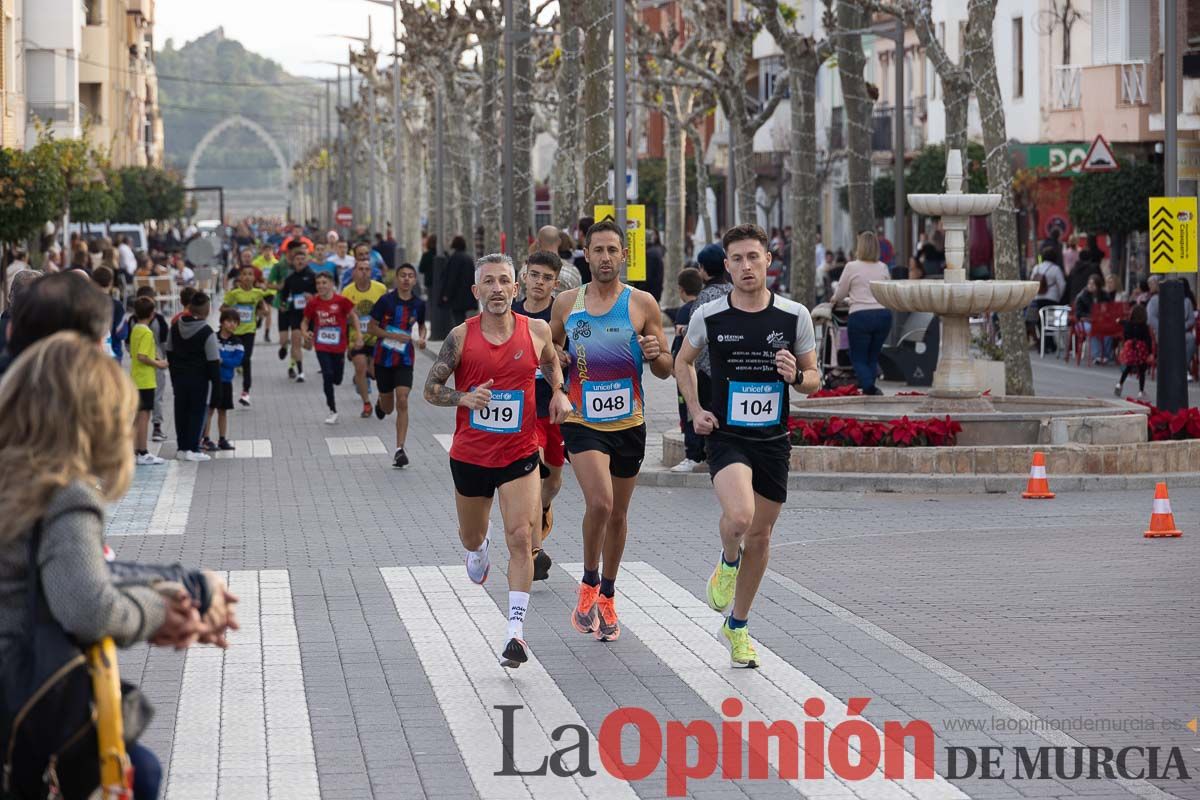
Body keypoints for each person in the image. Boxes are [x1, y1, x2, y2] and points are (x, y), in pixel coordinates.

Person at [0, 332, 239, 800]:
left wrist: (182, 587)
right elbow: (88, 605)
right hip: (18, 704)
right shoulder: (61, 490)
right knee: (137, 774)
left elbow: (78, 569)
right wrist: (164, 610)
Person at [675, 223, 819, 668]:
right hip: (727, 435)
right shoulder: (711, 315)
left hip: (773, 440)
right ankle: (727, 559)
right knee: (740, 517)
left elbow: (815, 380)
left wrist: (796, 375)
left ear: (768, 261)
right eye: (736, 259)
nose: (746, 266)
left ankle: (737, 626)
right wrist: (697, 410)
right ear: (726, 266)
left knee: (762, 534)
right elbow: (683, 362)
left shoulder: (794, 316)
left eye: (753, 257)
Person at [423, 253, 570, 667]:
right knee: (472, 536)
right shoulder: (460, 336)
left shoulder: (536, 330)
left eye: (504, 281)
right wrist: (461, 396)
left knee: (522, 537)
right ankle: (478, 548)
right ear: (476, 291)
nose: (497, 289)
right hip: (470, 456)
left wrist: (559, 391)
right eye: (488, 282)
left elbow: (550, 362)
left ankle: (515, 632)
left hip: (519, 453)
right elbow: (431, 389)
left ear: (515, 289)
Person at [550, 219, 673, 643]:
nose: (605, 257)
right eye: (597, 250)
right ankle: (587, 580)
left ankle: (608, 593)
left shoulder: (642, 304)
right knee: (599, 502)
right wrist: (557, 374)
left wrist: (657, 354)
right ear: (586, 254)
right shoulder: (567, 302)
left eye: (612, 250)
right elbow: (549, 352)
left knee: (619, 514)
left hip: (629, 424)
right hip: (584, 422)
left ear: (624, 255)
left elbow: (665, 369)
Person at [512, 251, 565, 581]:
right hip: (524, 412)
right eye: (535, 275)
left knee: (553, 480)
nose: (539, 283)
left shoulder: (559, 315)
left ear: (555, 283)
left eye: (546, 278)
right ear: (525, 278)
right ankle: (534, 551)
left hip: (554, 409)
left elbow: (575, 355)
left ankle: (544, 510)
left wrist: (562, 356)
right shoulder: (511, 313)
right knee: (534, 472)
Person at [369, 263, 428, 468]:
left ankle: (399, 449)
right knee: (388, 407)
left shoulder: (419, 304)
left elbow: (421, 327)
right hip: (383, 359)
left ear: (414, 280)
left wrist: (421, 339)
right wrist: (389, 335)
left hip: (404, 360)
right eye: (402, 275)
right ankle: (380, 402)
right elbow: (371, 327)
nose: (406, 279)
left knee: (402, 400)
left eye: (410, 276)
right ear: (397, 279)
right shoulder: (385, 301)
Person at [830, 231, 893, 396]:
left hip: (861, 316)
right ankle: (870, 385)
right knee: (872, 356)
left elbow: (841, 293)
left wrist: (835, 299)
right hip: (883, 315)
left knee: (857, 356)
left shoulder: (852, 267)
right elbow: (888, 292)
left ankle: (869, 387)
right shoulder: (883, 267)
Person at [301, 271, 362, 424]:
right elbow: (305, 321)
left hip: (339, 346)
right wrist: (304, 333)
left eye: (324, 283)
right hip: (321, 346)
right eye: (318, 283)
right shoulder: (313, 303)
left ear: (331, 284)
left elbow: (353, 316)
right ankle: (332, 409)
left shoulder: (342, 301)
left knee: (337, 379)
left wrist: (359, 335)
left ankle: (337, 379)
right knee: (327, 375)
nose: (321, 286)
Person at [166, 291, 220, 462]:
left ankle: (182, 448)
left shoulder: (175, 327)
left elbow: (169, 351)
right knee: (197, 412)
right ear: (207, 310)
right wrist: (217, 387)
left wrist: (174, 375)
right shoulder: (206, 331)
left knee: (181, 411)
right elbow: (213, 361)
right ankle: (193, 448)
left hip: (179, 378)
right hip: (199, 380)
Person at [342, 256, 388, 417]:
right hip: (357, 339)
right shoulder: (347, 292)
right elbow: (343, 319)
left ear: (372, 272)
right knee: (360, 368)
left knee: (377, 374)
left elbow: (388, 312)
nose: (364, 272)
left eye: (367, 269)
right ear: (354, 272)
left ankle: (380, 399)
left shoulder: (380, 289)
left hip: (377, 339)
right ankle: (366, 403)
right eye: (360, 269)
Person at [670, 267, 706, 473]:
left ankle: (692, 454)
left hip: (688, 370)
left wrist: (675, 366)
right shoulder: (704, 306)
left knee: (688, 413)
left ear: (681, 290)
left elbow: (679, 344)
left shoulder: (685, 311)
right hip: (704, 371)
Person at [220, 264, 270, 407]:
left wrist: (264, 310)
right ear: (240, 277)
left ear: (254, 277)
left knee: (246, 359)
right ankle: (226, 383)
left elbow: (262, 305)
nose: (247, 277)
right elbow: (222, 308)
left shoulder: (257, 292)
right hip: (234, 332)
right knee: (236, 360)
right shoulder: (234, 294)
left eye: (250, 274)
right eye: (245, 274)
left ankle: (245, 392)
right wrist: (233, 310)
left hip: (249, 330)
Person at [129, 296, 169, 466]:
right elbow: (142, 356)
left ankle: (133, 451)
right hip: (145, 380)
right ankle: (143, 451)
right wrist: (158, 363)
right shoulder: (146, 332)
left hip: (136, 377)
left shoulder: (136, 329)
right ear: (152, 314)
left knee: (137, 418)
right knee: (144, 416)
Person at [201, 310, 245, 452]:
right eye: (229, 321)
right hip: (212, 380)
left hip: (226, 381)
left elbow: (237, 361)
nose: (232, 324)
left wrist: (222, 360)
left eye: (235, 322)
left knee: (223, 410)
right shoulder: (212, 338)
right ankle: (206, 438)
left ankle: (222, 439)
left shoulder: (237, 342)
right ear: (222, 322)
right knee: (210, 409)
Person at [279, 240, 317, 382]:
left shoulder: (312, 276)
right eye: (297, 259)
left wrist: (312, 297)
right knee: (295, 340)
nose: (300, 262)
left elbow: (320, 294)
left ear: (306, 260)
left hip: (310, 314)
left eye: (302, 259)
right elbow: (284, 295)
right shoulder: (290, 278)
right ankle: (300, 372)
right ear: (293, 262)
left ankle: (302, 345)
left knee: (308, 345)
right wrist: (283, 304)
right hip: (295, 313)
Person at [1028, 247, 1066, 352]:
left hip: (1037, 298)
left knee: (1040, 322)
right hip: (1051, 299)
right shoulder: (1056, 269)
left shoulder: (1037, 268)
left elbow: (1032, 281)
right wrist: (1058, 296)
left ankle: (1043, 344)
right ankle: (1050, 344)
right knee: (1050, 322)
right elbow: (1062, 284)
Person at [1074, 273, 1114, 365]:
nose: (1090, 286)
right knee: (1093, 329)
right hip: (1084, 322)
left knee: (1109, 330)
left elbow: (1109, 309)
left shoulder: (1104, 296)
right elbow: (1078, 313)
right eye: (1089, 284)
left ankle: (1106, 355)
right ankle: (1097, 355)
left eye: (1093, 284)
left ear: (1098, 285)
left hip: (1100, 321)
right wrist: (1088, 317)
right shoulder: (1082, 296)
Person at [1116, 304, 1153, 400]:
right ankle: (1141, 391)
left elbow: (1123, 324)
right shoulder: (1144, 327)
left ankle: (1119, 384)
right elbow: (1148, 340)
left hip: (1130, 349)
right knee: (1141, 371)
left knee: (1127, 368)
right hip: (1141, 350)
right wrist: (1150, 352)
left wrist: (1119, 321)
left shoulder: (1128, 324)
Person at [91, 267, 127, 362]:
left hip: (91, 354)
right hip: (113, 354)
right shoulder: (117, 306)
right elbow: (122, 333)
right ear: (111, 283)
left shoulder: (86, 303)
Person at [441, 236, 477, 326]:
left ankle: (460, 337)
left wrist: (446, 294)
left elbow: (452, 278)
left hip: (456, 295)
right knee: (463, 316)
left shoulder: (455, 258)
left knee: (457, 318)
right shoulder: (468, 258)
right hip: (467, 293)